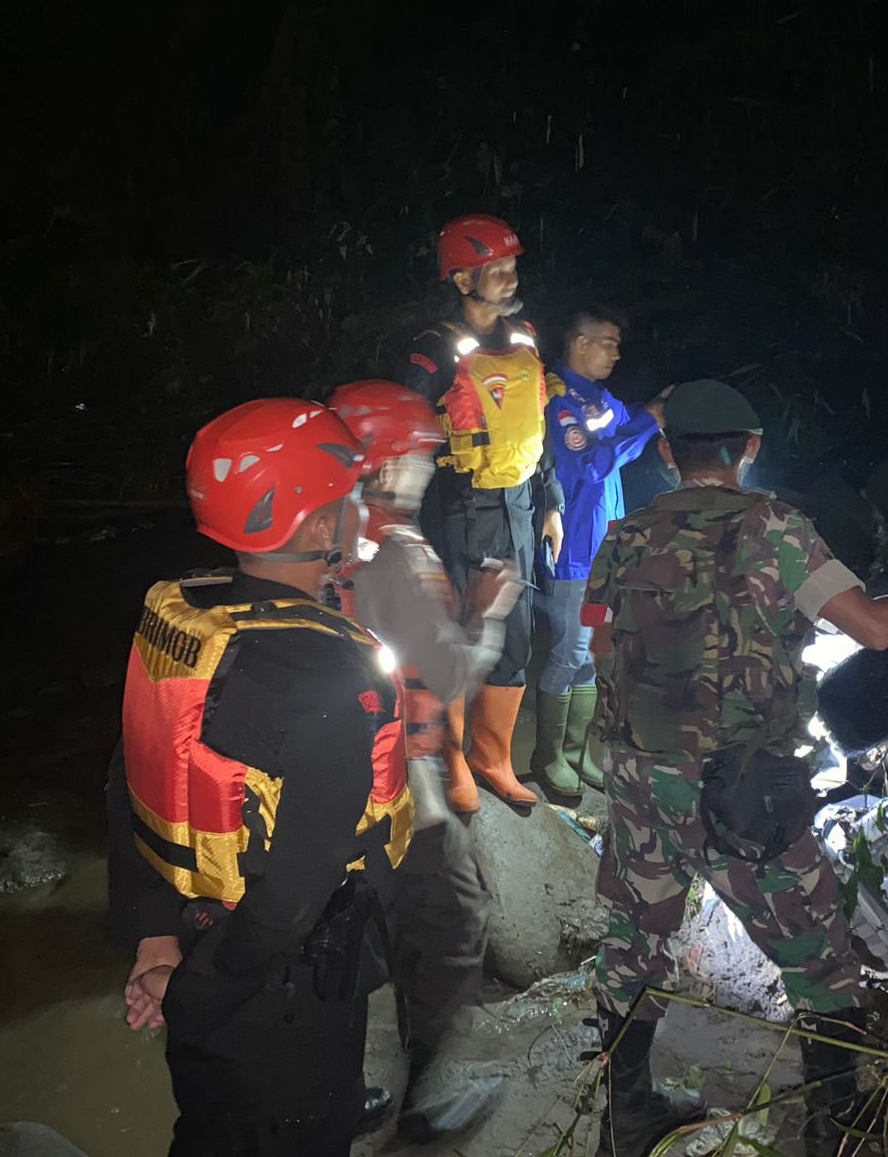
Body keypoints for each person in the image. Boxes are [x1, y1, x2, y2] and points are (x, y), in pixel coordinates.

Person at [583, 379, 888, 1157]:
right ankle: (833, 1133)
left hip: (641, 779)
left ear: (669, 452)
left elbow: (602, 648)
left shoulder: (626, 534)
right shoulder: (776, 528)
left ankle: (622, 1123)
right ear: (750, 448)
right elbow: (878, 629)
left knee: (633, 946)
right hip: (744, 783)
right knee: (821, 963)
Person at [106, 398, 415, 1157]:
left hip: (189, 930)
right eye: (348, 501)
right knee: (297, 1130)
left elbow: (128, 777)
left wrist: (155, 943)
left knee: (210, 1125)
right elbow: (296, 896)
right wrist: (197, 993)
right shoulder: (333, 675)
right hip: (276, 986)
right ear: (317, 530)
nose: (359, 513)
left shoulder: (185, 618)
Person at [325, 379, 518, 1142]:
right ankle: (438, 1099)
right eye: (417, 455)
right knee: (453, 920)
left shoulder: (325, 535)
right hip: (403, 782)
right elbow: (452, 673)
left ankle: (348, 1088)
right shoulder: (402, 553)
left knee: (365, 931)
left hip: (333, 780)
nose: (428, 469)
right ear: (383, 462)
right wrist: (492, 613)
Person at [403, 213, 565, 807]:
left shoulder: (524, 336)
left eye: (511, 267)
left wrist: (551, 503)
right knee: (461, 633)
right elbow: (405, 433)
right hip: (461, 507)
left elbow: (537, 427)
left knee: (515, 635)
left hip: (520, 504)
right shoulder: (434, 349)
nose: (508, 277)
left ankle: (491, 756)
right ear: (462, 279)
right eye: (495, 270)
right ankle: (449, 759)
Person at [534, 308, 665, 798]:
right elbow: (590, 464)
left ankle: (575, 752)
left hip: (606, 546)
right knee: (569, 650)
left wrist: (655, 413)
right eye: (607, 342)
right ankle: (546, 755)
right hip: (574, 546)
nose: (616, 351)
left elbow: (626, 426)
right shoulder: (559, 402)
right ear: (580, 343)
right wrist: (649, 422)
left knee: (592, 651)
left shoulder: (600, 400)